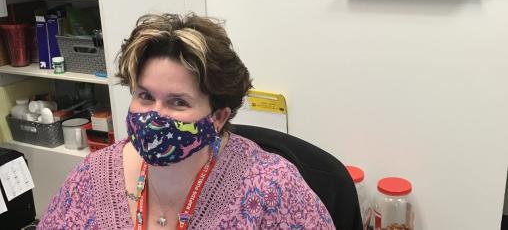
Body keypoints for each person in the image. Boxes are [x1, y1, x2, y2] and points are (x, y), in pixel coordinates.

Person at [37, 13, 335, 229]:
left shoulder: (273, 187)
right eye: (144, 96)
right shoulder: (91, 178)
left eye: (177, 102)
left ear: (218, 117)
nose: (155, 115)